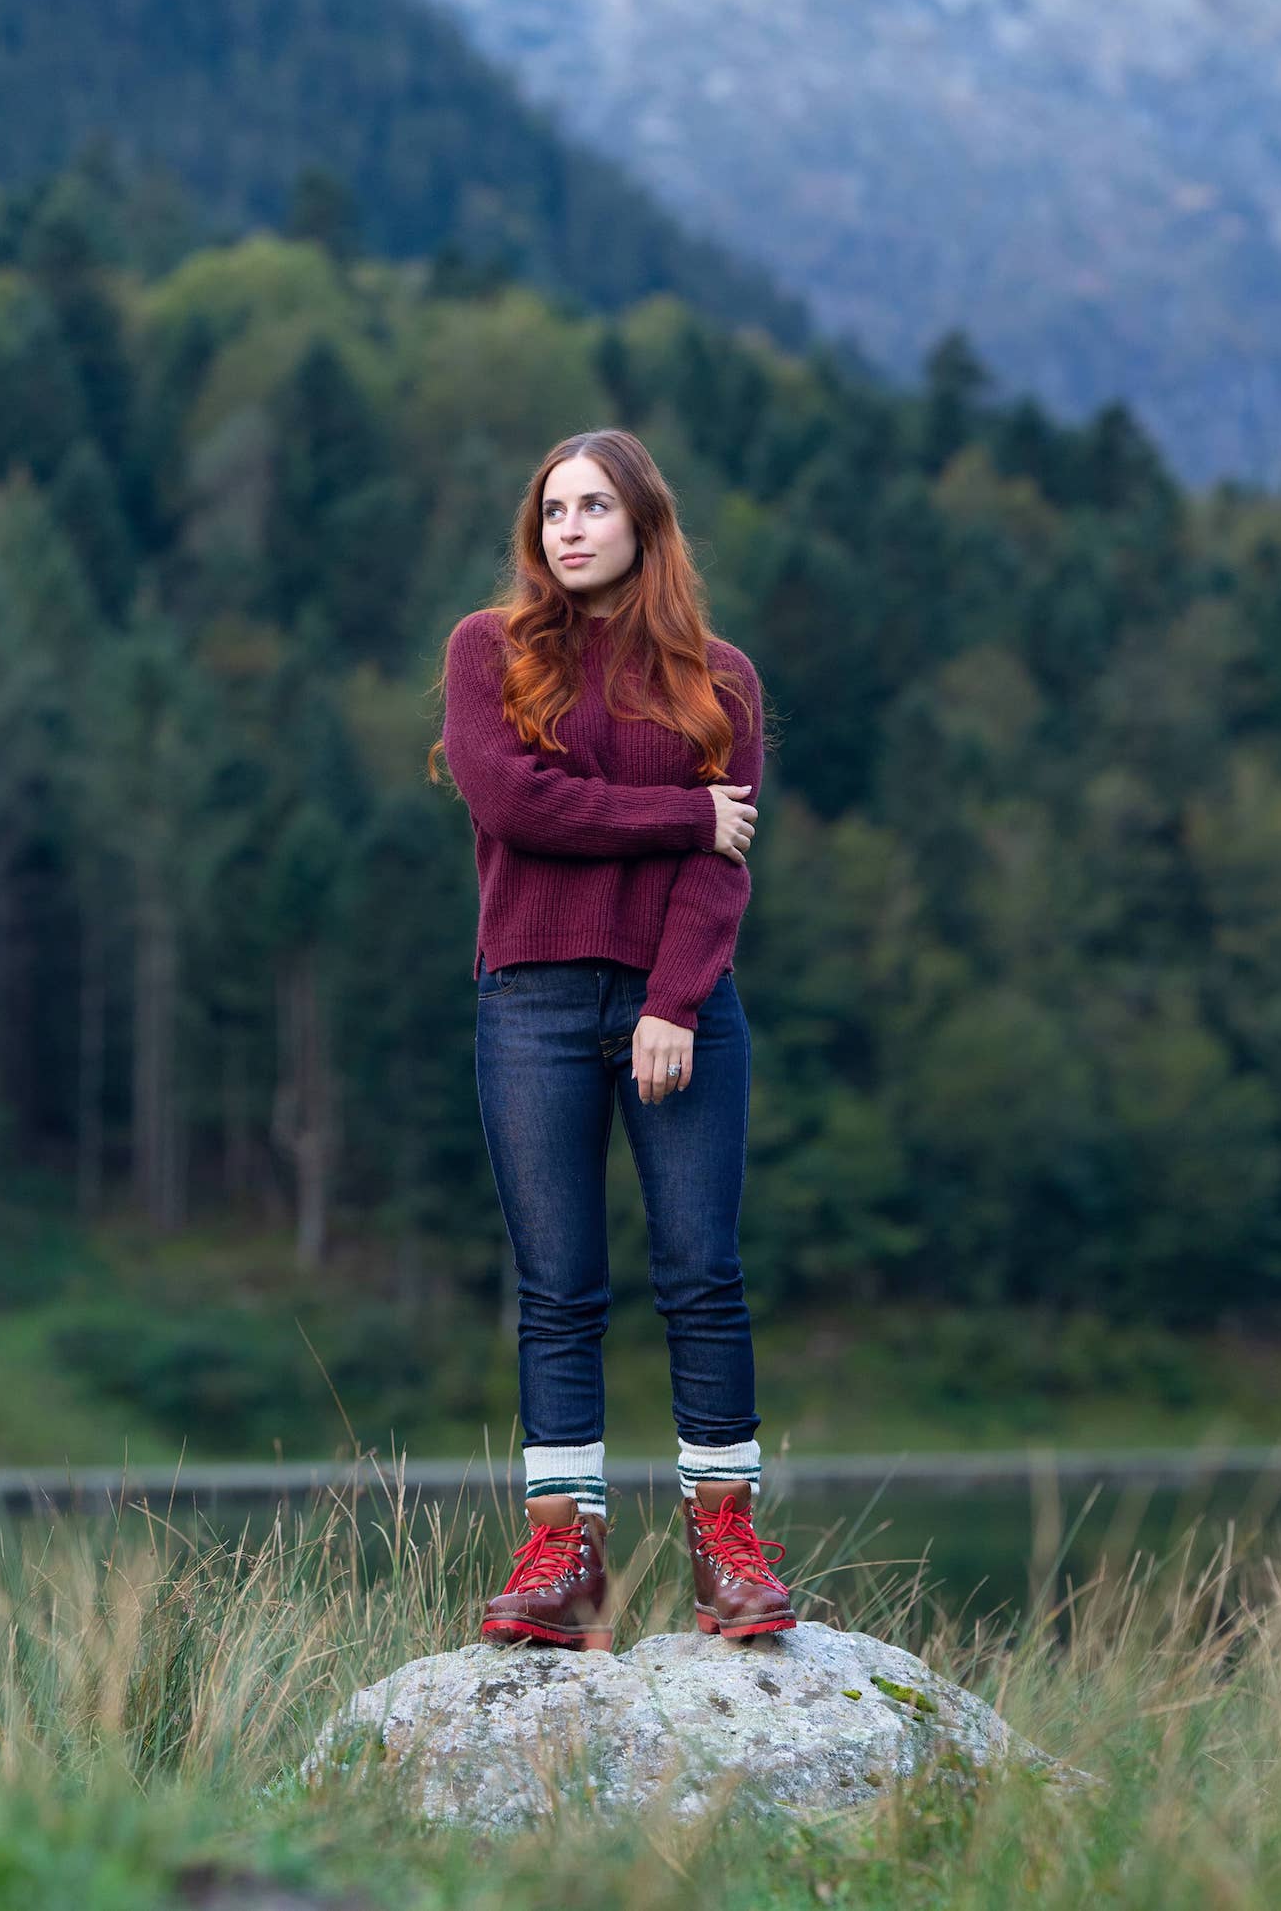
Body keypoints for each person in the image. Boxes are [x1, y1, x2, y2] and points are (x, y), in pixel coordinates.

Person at [427, 428, 795, 1648]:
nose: (567, 529)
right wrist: (685, 813)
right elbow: (513, 805)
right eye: (550, 512)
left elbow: (724, 872)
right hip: (527, 1003)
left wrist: (674, 1002)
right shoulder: (490, 654)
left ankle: (728, 1550)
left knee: (701, 1276)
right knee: (557, 1292)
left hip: (677, 1005)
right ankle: (564, 1560)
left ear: (644, 523)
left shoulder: (718, 679)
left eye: (592, 508)